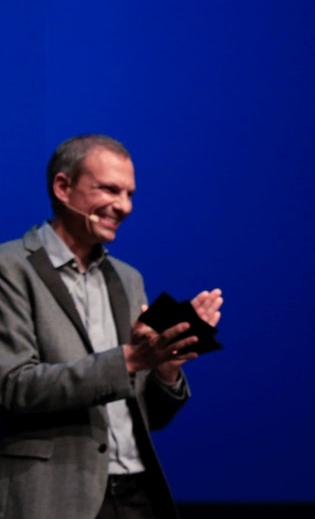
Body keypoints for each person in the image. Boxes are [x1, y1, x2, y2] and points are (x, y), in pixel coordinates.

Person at [0, 134, 224, 519]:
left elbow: (150, 416)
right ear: (63, 187)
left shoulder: (128, 278)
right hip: (54, 497)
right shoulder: (10, 268)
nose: (124, 206)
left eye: (129, 194)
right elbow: (14, 387)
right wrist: (131, 360)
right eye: (109, 189)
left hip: (136, 493)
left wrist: (166, 367)